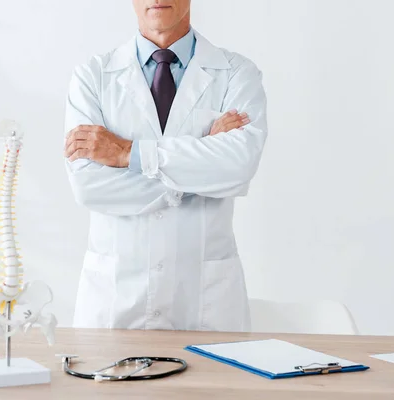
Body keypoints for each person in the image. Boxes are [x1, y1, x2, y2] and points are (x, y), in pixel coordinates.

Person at [63, 0, 268, 332]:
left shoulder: (237, 73)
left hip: (205, 304)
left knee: (213, 381)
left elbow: (237, 167)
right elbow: (90, 187)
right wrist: (202, 162)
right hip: (116, 301)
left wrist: (128, 154)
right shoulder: (93, 77)